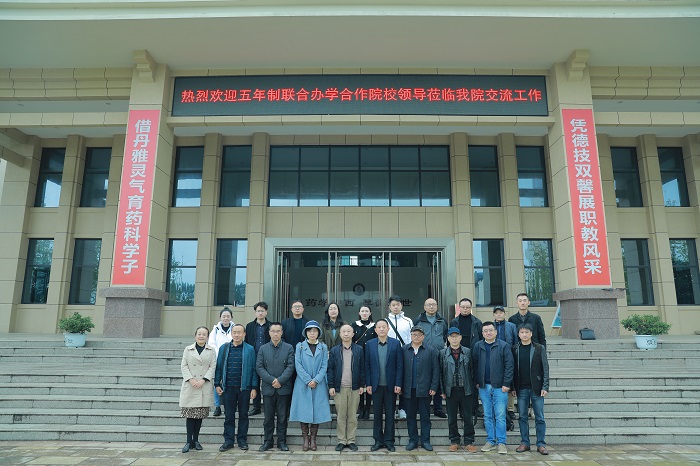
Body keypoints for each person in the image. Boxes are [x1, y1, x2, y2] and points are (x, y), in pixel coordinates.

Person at [215, 324, 259, 452]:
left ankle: (242, 440)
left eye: (239, 332)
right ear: (231, 334)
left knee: (243, 415)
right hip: (228, 388)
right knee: (229, 416)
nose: (236, 334)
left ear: (244, 334)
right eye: (234, 332)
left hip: (244, 388)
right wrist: (217, 384)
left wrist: (254, 387)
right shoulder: (224, 348)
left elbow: (254, 369)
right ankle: (228, 441)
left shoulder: (249, 349)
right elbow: (219, 367)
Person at [289, 320, 332, 451]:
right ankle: (305, 438)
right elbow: (298, 365)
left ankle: (313, 438)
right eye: (309, 331)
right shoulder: (300, 346)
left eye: (314, 331)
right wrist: (308, 380)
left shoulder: (323, 347)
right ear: (306, 333)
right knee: (303, 410)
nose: (312, 333)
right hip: (303, 383)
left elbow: (324, 365)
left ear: (318, 333)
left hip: (319, 384)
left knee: (317, 411)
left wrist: (316, 380)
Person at [472, 321, 514, 455]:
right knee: (488, 415)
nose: (488, 333)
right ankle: (490, 440)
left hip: (500, 387)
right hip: (484, 387)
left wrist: (506, 383)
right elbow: (474, 365)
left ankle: (501, 442)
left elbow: (509, 366)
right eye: (485, 331)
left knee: (500, 415)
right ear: (482, 333)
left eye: (490, 330)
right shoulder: (478, 346)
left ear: (495, 332)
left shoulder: (504, 346)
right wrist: (477, 381)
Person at [364, 318, 403, 452]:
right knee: (377, 415)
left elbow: (399, 365)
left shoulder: (395, 344)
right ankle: (378, 441)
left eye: (383, 327)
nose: (381, 329)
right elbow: (367, 366)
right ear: (375, 330)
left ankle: (389, 441)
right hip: (375, 386)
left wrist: (398, 383)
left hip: (390, 386)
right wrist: (368, 384)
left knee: (390, 415)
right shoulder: (370, 344)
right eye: (379, 327)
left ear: (388, 329)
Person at [256, 322, 295, 452]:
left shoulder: (289, 348)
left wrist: (280, 380)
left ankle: (281, 442)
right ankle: (268, 441)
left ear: (282, 332)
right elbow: (259, 367)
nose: (275, 334)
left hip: (283, 388)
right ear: (269, 333)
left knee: (282, 417)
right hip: (268, 388)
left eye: (278, 331)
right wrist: (272, 380)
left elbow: (290, 367)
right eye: (273, 331)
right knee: (268, 418)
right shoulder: (263, 348)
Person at [512, 323, 550, 455]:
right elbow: (513, 369)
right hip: (521, 389)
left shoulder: (539, 348)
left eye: (527, 332)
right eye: (522, 332)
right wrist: (513, 387)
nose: (524, 335)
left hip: (537, 388)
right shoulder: (514, 348)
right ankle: (525, 443)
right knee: (522, 417)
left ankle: (541, 444)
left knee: (539, 417)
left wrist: (545, 386)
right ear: (518, 334)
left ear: (531, 333)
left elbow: (545, 368)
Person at [401, 325, 439, 451]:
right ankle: (413, 441)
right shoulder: (404, 350)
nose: (416, 337)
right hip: (408, 389)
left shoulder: (431, 351)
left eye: (419, 335)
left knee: (425, 417)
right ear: (410, 336)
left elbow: (435, 370)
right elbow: (399, 369)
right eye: (414, 334)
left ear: (423, 336)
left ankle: (425, 441)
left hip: (425, 389)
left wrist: (434, 386)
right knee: (410, 417)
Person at [328, 324, 365, 451]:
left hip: (354, 387)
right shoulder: (334, 350)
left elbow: (362, 369)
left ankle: (351, 440)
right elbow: (330, 369)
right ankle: (341, 440)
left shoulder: (359, 350)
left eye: (349, 331)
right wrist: (331, 386)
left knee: (352, 416)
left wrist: (362, 385)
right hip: (340, 388)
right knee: (341, 416)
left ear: (353, 334)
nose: (346, 333)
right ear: (340, 334)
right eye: (343, 331)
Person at [179, 326, 217, 453]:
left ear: (207, 337)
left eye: (204, 334)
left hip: (203, 385)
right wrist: (191, 379)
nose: (201, 336)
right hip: (190, 385)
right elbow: (184, 366)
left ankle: (196, 440)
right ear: (195, 336)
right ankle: (188, 441)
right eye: (199, 334)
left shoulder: (211, 350)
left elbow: (212, 367)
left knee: (199, 416)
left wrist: (203, 380)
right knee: (190, 415)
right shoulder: (188, 349)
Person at [440, 327, 477, 453]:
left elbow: (473, 371)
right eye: (452, 336)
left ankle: (469, 441)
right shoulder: (442, 353)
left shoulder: (468, 352)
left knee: (468, 416)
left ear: (460, 337)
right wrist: (443, 390)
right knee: (451, 417)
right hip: (450, 390)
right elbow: (441, 373)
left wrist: (473, 387)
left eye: (456, 336)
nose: (454, 339)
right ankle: (454, 440)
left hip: (466, 389)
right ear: (448, 338)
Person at [414, 297, 448, 418]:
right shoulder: (419, 320)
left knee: (437, 379)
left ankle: (438, 408)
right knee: (424, 379)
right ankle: (423, 407)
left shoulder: (442, 320)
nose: (431, 307)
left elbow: (445, 336)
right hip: (424, 353)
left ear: (437, 306)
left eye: (433, 304)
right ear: (424, 307)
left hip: (439, 353)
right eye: (429, 305)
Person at [450, 298, 482, 421]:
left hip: (473, 354)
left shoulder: (477, 322)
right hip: (458, 354)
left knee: (473, 382)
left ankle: (475, 408)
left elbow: (480, 339)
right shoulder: (454, 322)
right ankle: (462, 410)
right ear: (459, 308)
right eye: (462, 307)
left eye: (467, 307)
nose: (465, 309)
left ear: (471, 308)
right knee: (460, 383)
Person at [385, 295, 412, 419]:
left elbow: (411, 338)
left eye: (398, 305)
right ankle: (391, 408)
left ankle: (402, 408)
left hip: (405, 354)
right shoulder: (385, 321)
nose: (396, 307)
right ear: (389, 307)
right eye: (393, 305)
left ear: (402, 305)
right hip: (389, 355)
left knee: (404, 381)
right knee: (390, 380)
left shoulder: (408, 321)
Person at [492, 305, 518, 429]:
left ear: (504, 313)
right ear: (494, 315)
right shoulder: (490, 327)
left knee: (509, 382)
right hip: (494, 356)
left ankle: (510, 409)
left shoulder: (511, 326)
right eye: (496, 313)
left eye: (501, 312)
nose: (499, 314)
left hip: (508, 355)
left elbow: (515, 341)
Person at [245, 301, 270, 416]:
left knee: (268, 381)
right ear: (255, 312)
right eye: (258, 311)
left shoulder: (271, 326)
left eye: (262, 311)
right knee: (254, 382)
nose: (260, 313)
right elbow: (246, 342)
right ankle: (256, 406)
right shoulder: (249, 326)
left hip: (268, 357)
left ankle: (269, 406)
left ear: (266, 312)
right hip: (254, 356)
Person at [208, 307, 233, 417]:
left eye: (228, 316)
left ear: (231, 317)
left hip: (232, 359)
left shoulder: (235, 328)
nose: (226, 318)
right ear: (220, 317)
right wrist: (220, 354)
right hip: (218, 359)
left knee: (230, 382)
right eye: (224, 316)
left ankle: (228, 406)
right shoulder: (215, 330)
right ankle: (217, 406)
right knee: (217, 382)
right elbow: (211, 344)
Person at [352, 305, 376, 419]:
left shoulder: (374, 326)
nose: (365, 313)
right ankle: (361, 409)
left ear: (370, 313)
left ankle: (367, 409)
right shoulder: (354, 325)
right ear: (359, 313)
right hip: (358, 358)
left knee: (369, 383)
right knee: (360, 383)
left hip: (371, 358)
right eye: (362, 311)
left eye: (367, 311)